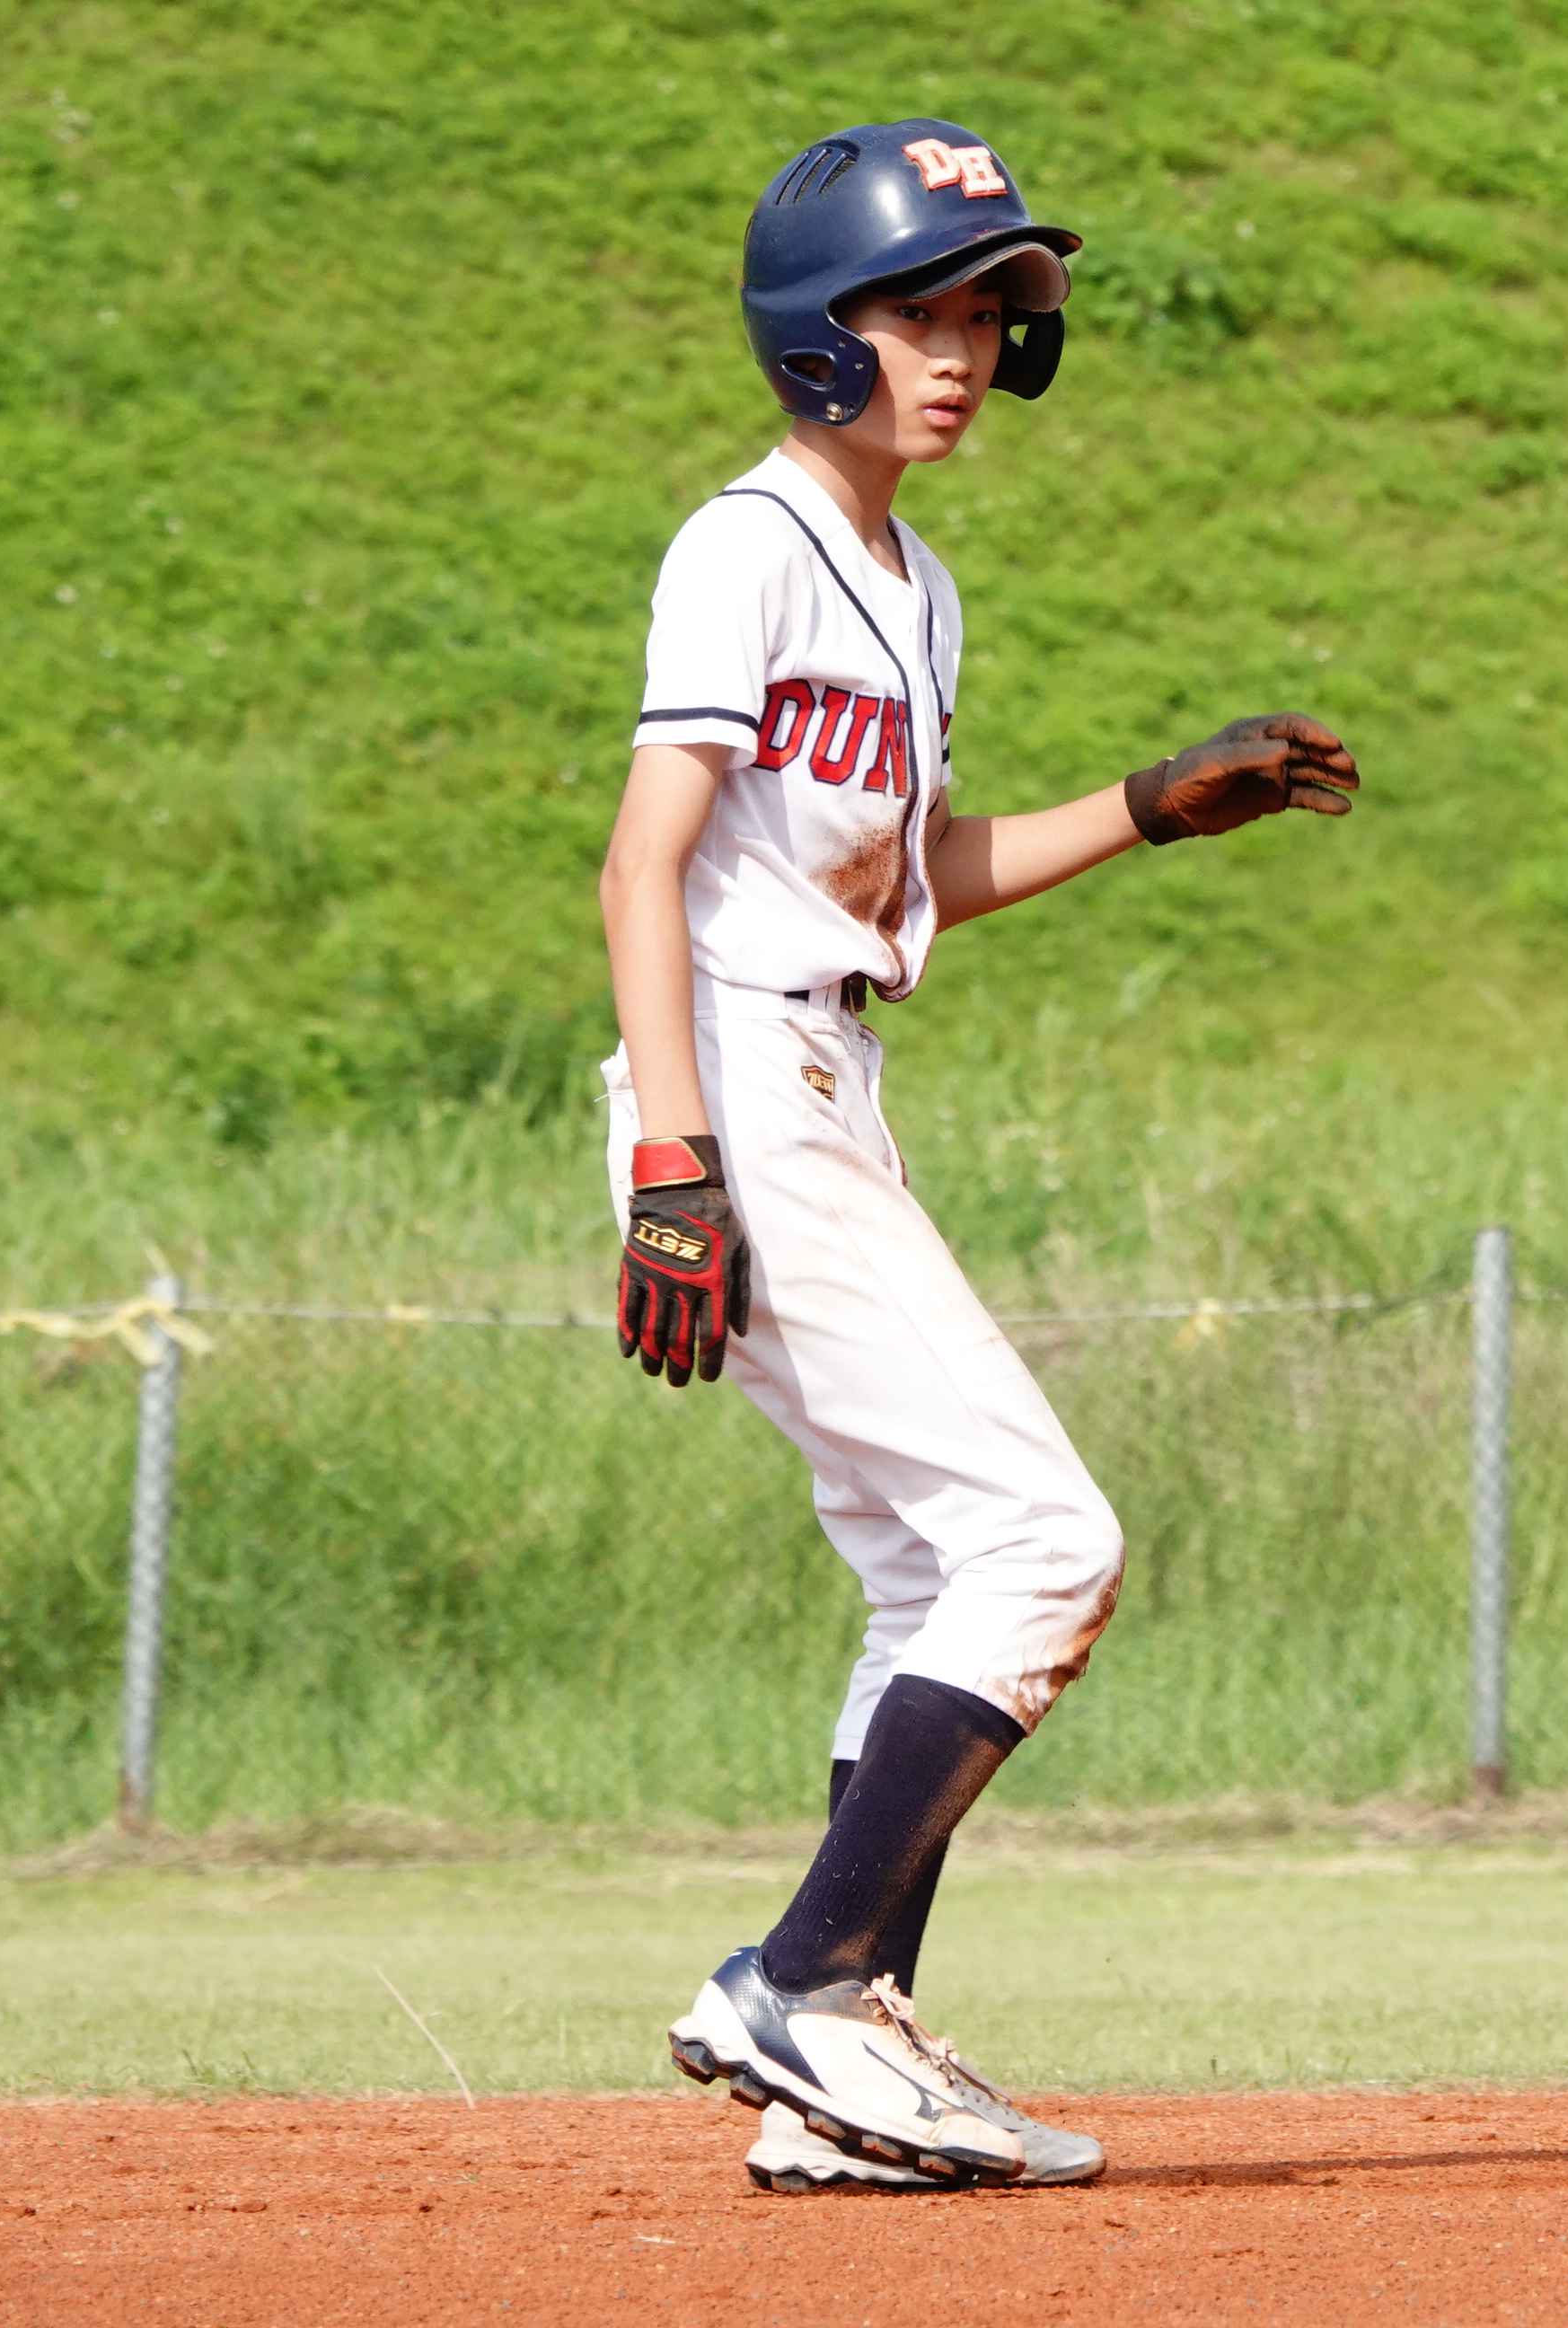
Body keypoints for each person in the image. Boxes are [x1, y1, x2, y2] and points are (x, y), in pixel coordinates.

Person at [599, 119, 1359, 2194]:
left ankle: (841, 2080)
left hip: (822, 1074)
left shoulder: (915, 589)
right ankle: (803, 1986)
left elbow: (907, 871)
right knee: (1046, 1540)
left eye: (982, 313)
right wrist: (672, 1158)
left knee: (932, 1570)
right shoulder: (746, 545)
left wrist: (1149, 807)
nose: (960, 351)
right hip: (735, 1077)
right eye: (918, 311)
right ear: (815, 333)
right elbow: (647, 863)